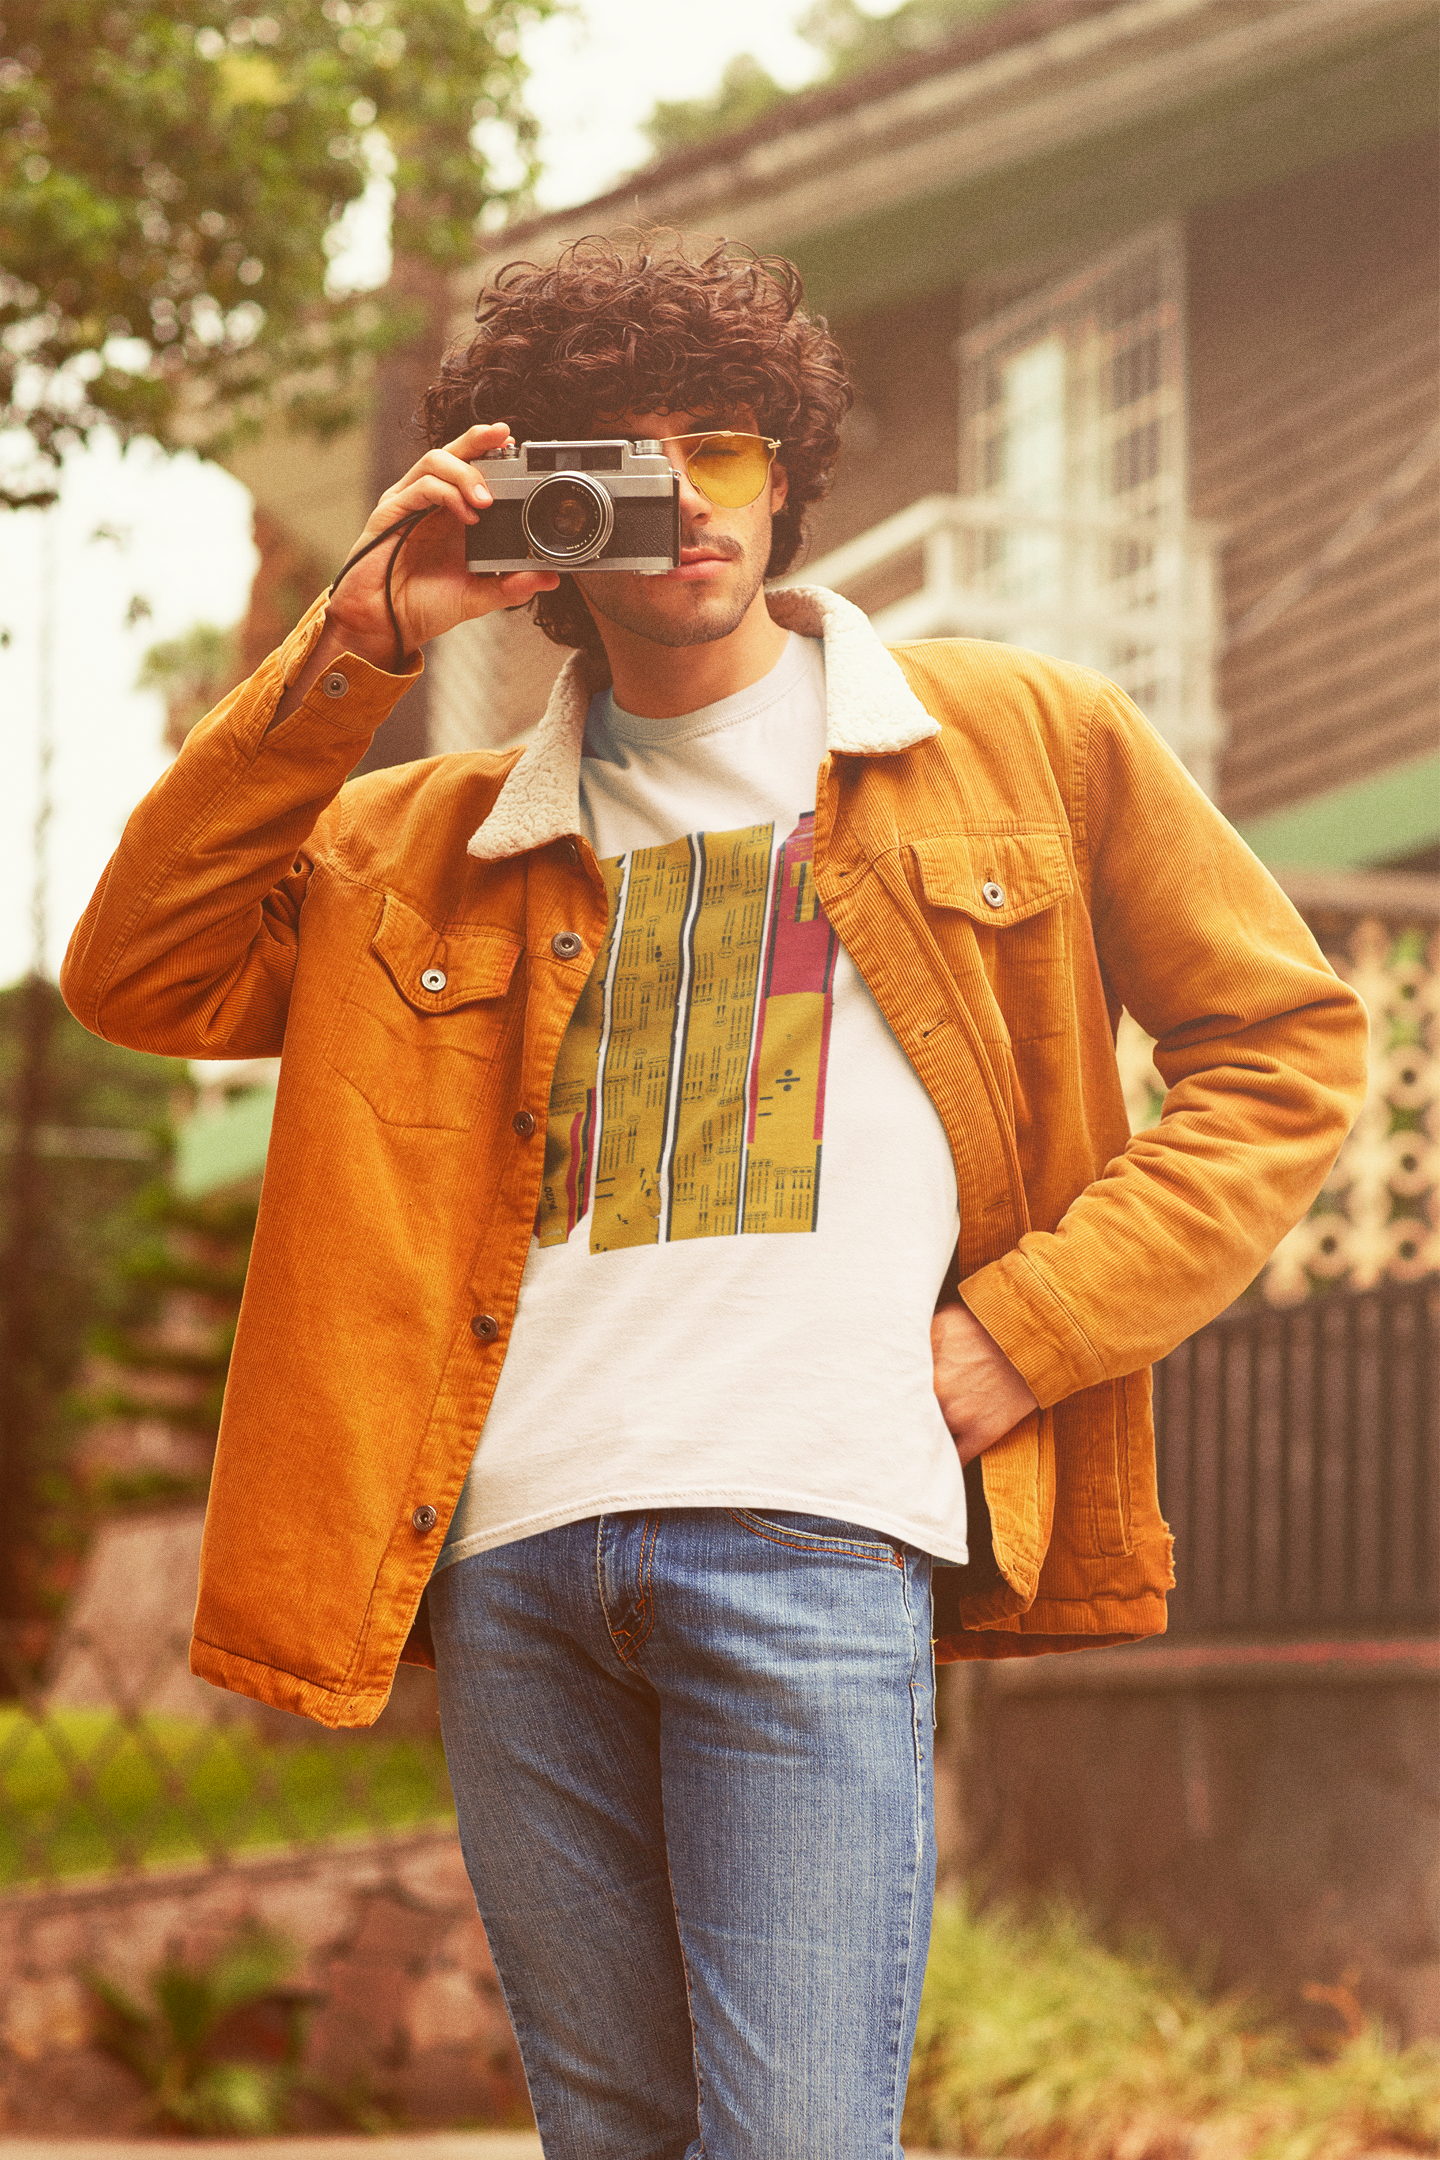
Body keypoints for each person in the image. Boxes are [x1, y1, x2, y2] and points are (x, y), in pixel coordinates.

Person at [62, 235, 1366, 2160]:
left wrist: (1029, 1330)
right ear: (537, 523)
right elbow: (140, 973)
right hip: (516, 1559)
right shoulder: (425, 839)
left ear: (788, 474)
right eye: (620, 461)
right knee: (615, 2136)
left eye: (725, 448)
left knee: (794, 2140)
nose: (685, 500)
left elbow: (1286, 1049)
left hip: (811, 1529)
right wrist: (362, 639)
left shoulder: (1022, 741)